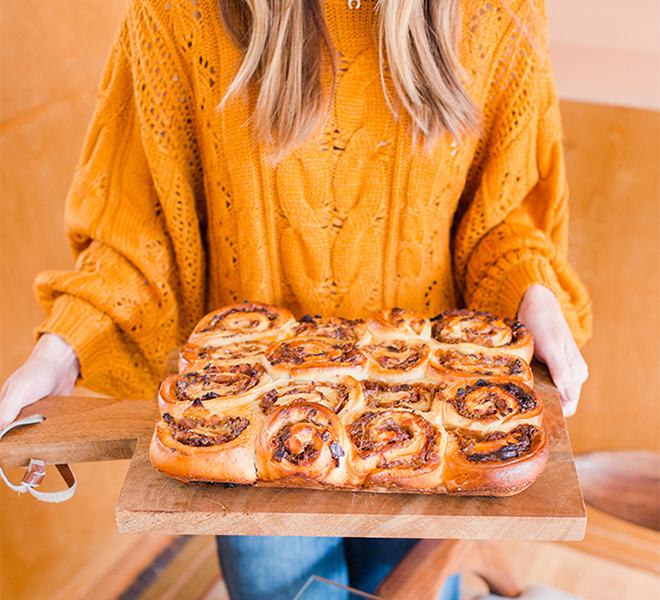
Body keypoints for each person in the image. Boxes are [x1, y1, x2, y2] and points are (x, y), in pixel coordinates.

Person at [0, 0, 591, 598]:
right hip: (248, 426)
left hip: (433, 420)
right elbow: (139, 229)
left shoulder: (501, 12)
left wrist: (529, 289)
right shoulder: (174, 12)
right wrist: (62, 350)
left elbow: (501, 218)